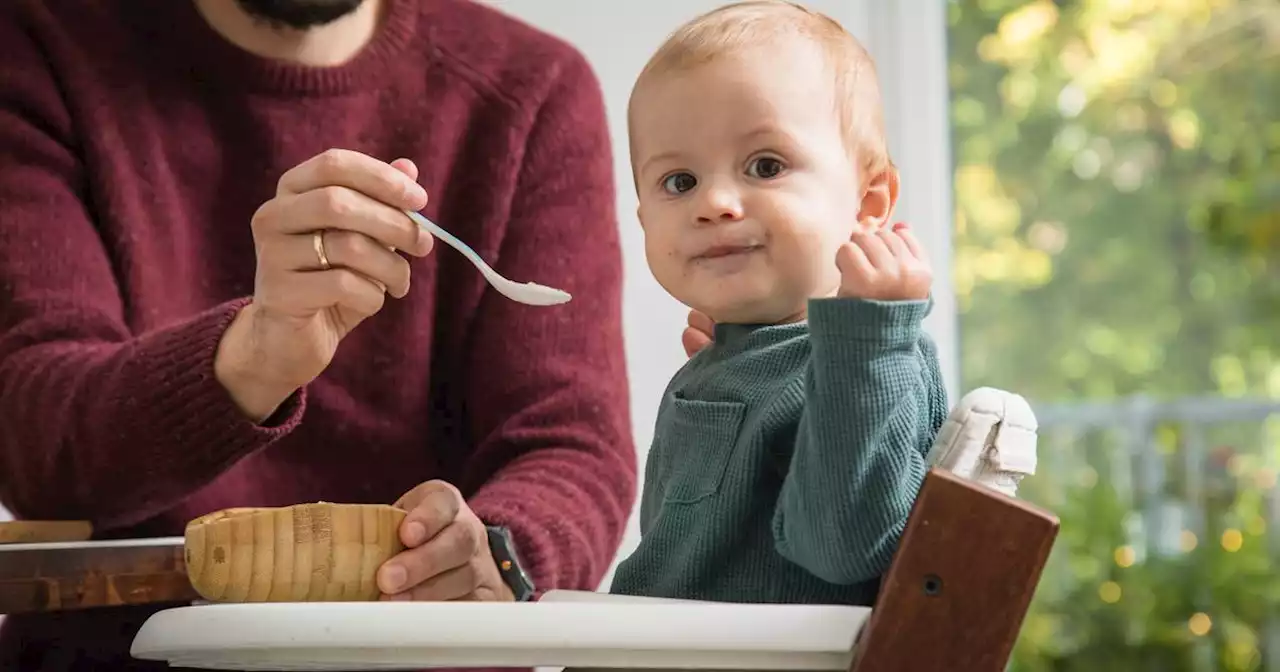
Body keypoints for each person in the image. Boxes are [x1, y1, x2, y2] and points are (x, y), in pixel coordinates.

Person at [0, 0, 638, 668]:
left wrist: (494, 555)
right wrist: (254, 355)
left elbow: (570, 446)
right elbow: (35, 449)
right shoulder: (38, 48)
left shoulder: (531, 86)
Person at [605, 0, 951, 607]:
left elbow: (843, 547)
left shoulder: (875, 360)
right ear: (642, 217)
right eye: (678, 182)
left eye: (765, 166)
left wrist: (868, 341)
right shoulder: (730, 359)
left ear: (869, 204)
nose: (713, 202)